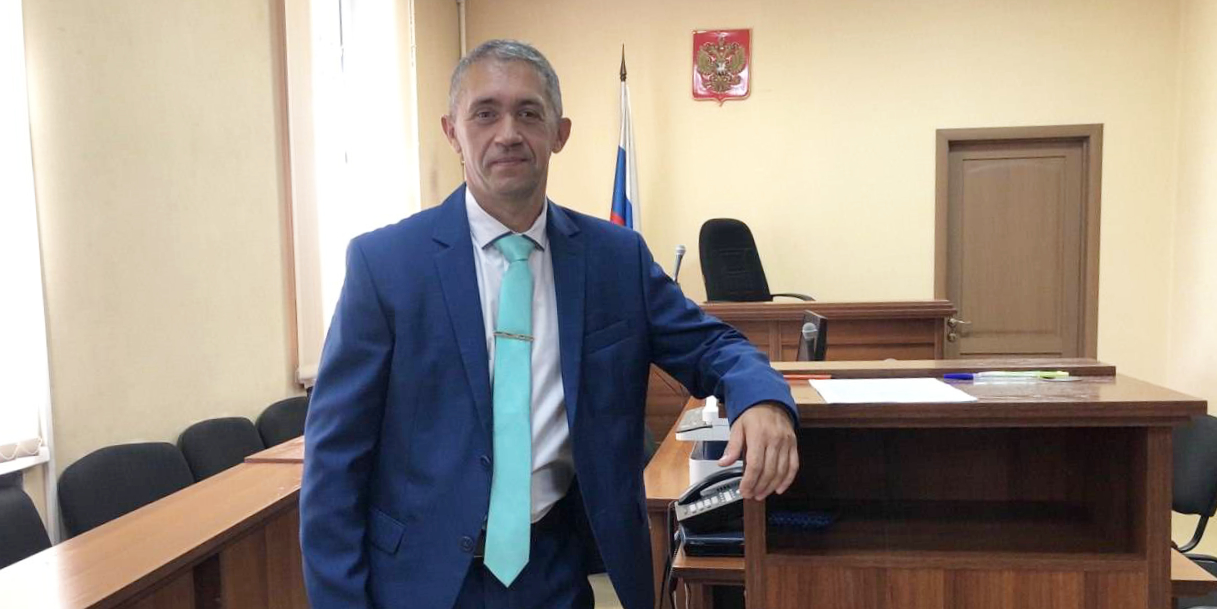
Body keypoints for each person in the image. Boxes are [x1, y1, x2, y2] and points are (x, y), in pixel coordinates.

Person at [299, 39, 799, 609]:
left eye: (529, 113)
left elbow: (713, 345)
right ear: (451, 132)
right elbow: (334, 463)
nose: (508, 133)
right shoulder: (386, 265)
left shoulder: (615, 260)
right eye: (485, 113)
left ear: (559, 133)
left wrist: (762, 397)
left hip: (554, 572)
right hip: (419, 580)